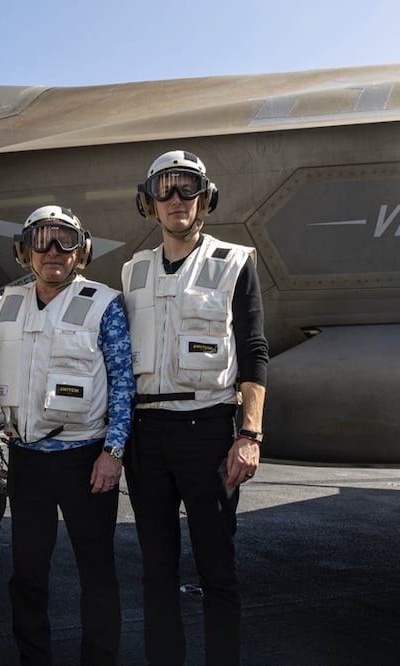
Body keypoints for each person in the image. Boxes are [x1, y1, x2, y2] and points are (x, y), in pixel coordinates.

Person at [121, 150, 269, 666]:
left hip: (207, 430)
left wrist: (248, 435)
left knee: (217, 570)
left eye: (188, 188)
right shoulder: (132, 271)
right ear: (150, 201)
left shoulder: (234, 263)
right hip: (147, 435)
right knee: (157, 572)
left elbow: (254, 350)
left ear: (205, 199)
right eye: (166, 188)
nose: (177, 199)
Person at [0, 205, 134, 665]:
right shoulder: (4, 306)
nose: (54, 251)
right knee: (27, 575)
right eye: (42, 240)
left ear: (82, 251)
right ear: (25, 250)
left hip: (85, 460)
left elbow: (123, 383)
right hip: (27, 461)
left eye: (65, 240)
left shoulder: (103, 303)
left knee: (96, 574)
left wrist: (113, 452)